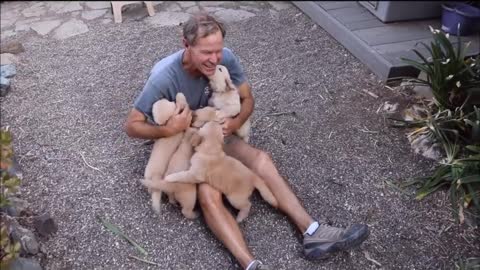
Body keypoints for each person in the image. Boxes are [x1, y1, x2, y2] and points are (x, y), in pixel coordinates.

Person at [124, 12, 369, 270]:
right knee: (209, 193)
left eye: (217, 51)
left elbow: (248, 99)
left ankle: (313, 232)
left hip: (217, 131)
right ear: (186, 45)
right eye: (206, 52)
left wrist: (236, 122)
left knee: (261, 159)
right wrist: (168, 129)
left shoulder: (226, 58)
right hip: (184, 141)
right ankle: (250, 265)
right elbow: (131, 126)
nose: (214, 59)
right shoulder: (164, 76)